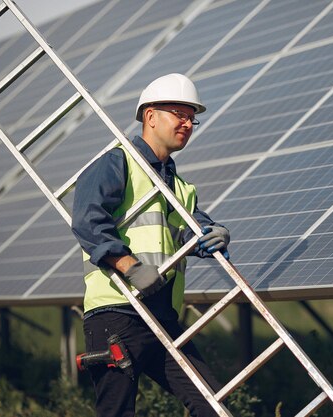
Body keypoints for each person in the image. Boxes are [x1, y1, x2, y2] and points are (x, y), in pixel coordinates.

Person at [71, 73, 230, 417]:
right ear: (150, 116)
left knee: (214, 403)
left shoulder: (182, 187)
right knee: (116, 412)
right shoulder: (118, 162)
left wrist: (214, 234)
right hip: (117, 310)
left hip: (162, 316)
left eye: (192, 117)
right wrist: (130, 267)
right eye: (179, 113)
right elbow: (87, 218)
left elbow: (193, 229)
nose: (187, 123)